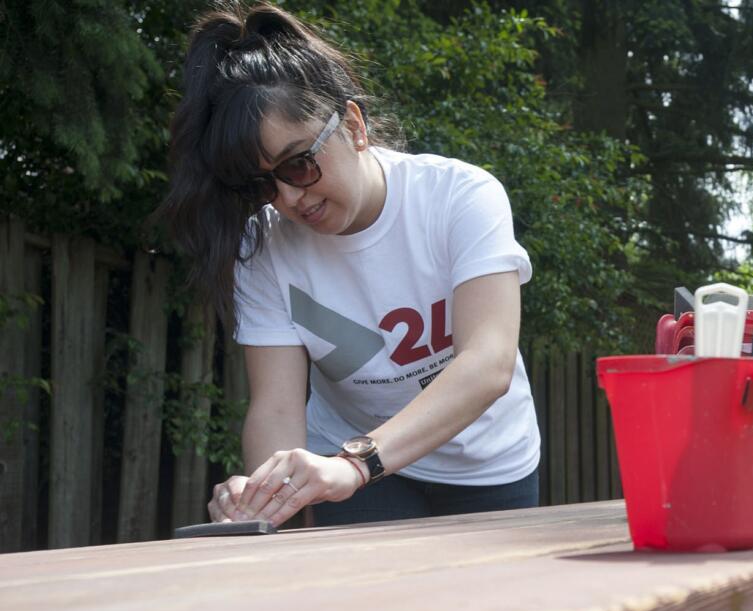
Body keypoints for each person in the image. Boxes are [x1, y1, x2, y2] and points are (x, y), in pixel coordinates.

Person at [156, 4, 540, 528]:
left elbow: (487, 364)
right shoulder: (263, 243)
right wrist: (262, 499)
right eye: (263, 184)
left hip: (485, 464)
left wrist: (356, 462)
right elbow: (275, 408)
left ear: (354, 125)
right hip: (356, 473)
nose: (289, 198)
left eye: (298, 163)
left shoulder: (460, 196)